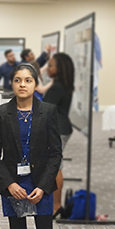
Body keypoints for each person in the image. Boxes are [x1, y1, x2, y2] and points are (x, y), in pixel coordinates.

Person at [0, 63, 73, 229]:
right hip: (14, 184)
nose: (22, 85)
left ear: (35, 83)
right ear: (12, 84)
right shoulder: (1, 113)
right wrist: (9, 184)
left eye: (28, 80)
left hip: (40, 184)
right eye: (17, 80)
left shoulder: (48, 111)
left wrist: (45, 185)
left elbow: (55, 154)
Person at [42, 53, 74, 218]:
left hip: (57, 130)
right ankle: (55, 202)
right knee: (55, 164)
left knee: (56, 166)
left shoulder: (57, 87)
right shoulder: (63, 84)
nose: (48, 68)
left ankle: (57, 205)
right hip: (62, 128)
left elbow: (46, 110)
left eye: (52, 65)